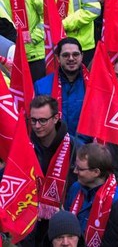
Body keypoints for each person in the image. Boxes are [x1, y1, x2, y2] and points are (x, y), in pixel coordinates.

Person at [27, 96, 80, 245]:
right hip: (29, 224)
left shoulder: (75, 148)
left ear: (56, 118)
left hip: (63, 228)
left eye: (42, 120)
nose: (37, 126)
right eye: (33, 120)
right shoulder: (24, 146)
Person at [64, 143, 118, 245]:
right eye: (75, 166)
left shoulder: (117, 200)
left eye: (80, 169)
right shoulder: (75, 188)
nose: (74, 171)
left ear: (96, 172)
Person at [33, 38, 89, 137]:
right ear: (58, 58)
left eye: (75, 54)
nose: (71, 58)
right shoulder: (41, 86)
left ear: (82, 56)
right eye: (66, 55)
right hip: (54, 148)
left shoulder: (95, 84)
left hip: (87, 148)